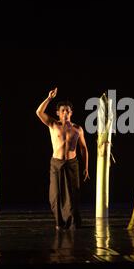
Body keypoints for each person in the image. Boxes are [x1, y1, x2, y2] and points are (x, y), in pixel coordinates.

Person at [36, 88, 89, 230]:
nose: (65, 113)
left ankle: (72, 223)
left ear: (71, 113)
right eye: (63, 110)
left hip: (72, 164)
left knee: (72, 195)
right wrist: (49, 98)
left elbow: (83, 148)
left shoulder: (78, 129)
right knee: (55, 195)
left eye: (68, 110)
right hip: (56, 163)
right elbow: (39, 112)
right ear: (58, 113)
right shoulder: (53, 125)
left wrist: (86, 168)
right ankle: (59, 222)